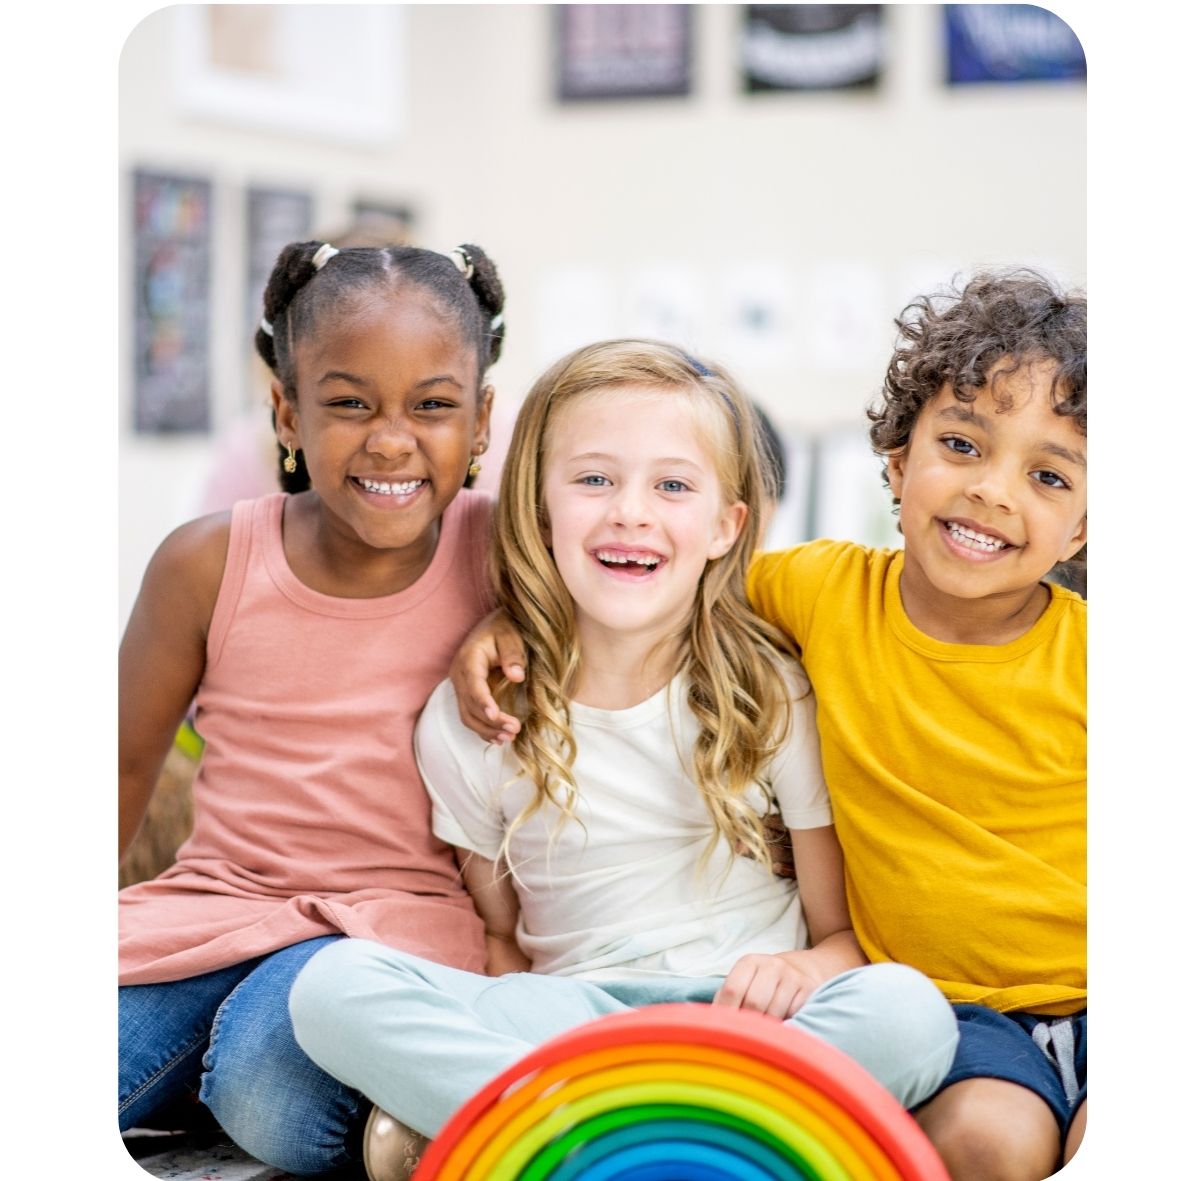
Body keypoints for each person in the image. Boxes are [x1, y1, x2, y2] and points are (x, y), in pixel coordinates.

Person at [450, 271, 1087, 1181]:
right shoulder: (814, 590)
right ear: (898, 462)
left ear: (1081, 528)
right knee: (983, 1146)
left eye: (1047, 475)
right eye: (960, 444)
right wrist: (511, 619)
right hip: (954, 1012)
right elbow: (652, 588)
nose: (991, 491)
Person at [288, 339, 959, 1178]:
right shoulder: (473, 716)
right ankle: (681, 1139)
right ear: (537, 511)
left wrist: (799, 969)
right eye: (594, 479)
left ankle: (577, 1141)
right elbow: (501, 938)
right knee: (329, 987)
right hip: (574, 1019)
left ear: (725, 526)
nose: (629, 513)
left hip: (744, 1016)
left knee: (908, 1011)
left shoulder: (772, 690)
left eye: (672, 485)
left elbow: (837, 937)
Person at [118, 237, 507, 1177]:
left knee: (264, 1084)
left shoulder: (509, 554)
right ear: (286, 410)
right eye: (347, 403)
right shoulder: (203, 562)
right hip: (212, 911)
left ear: (483, 418)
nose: (390, 437)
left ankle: (370, 1115)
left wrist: (518, 626)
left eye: (432, 405)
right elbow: (121, 767)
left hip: (391, 937)